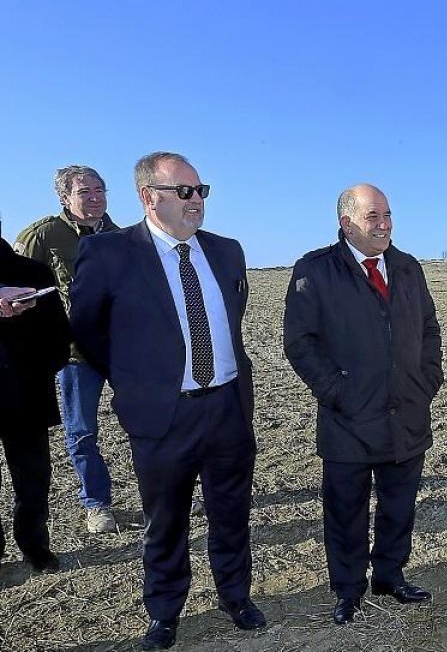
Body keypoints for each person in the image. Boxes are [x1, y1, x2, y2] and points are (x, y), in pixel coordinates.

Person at [70, 152, 264, 650]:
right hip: (162, 413)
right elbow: (89, 331)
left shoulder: (226, 251)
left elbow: (233, 318)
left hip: (225, 407)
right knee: (165, 520)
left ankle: (235, 596)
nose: (195, 200)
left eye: (200, 190)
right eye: (184, 192)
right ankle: (164, 611)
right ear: (147, 196)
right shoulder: (111, 253)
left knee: (231, 511)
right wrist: (136, 382)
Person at [283, 183, 442, 625]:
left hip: (406, 413)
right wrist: (337, 392)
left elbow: (429, 329)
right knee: (346, 511)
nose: (385, 224)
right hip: (348, 419)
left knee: (399, 505)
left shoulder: (408, 268)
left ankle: (390, 575)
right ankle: (348, 588)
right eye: (374, 216)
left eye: (388, 215)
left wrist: (427, 381)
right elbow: (300, 343)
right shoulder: (314, 271)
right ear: (347, 222)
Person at [15, 166, 121, 534]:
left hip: (124, 352)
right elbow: (19, 287)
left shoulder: (123, 236)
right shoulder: (43, 235)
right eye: (84, 191)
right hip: (76, 355)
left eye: (99, 189)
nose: (94, 197)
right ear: (65, 198)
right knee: (81, 432)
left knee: (150, 424)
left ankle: (162, 493)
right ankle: (96, 503)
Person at [0, 237, 71, 572]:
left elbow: (58, 333)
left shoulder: (33, 272)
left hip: (25, 393)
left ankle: (35, 547)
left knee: (33, 478)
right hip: (26, 390)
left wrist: (39, 368)